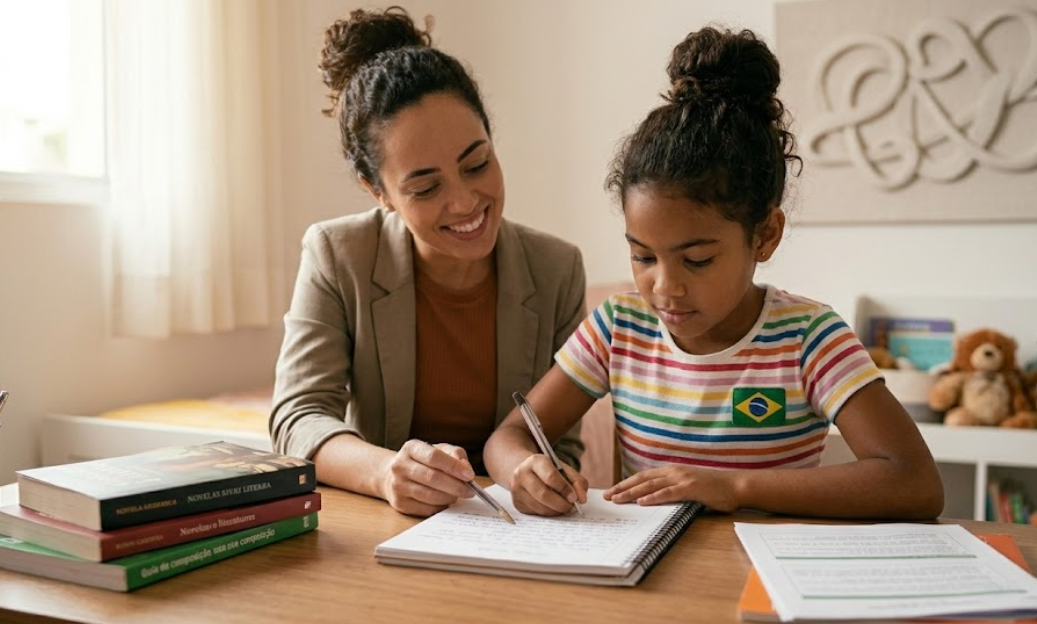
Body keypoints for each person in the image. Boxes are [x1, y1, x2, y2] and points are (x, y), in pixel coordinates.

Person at [484, 26, 944, 520]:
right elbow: (508, 436)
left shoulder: (808, 338)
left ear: (765, 235)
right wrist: (523, 470)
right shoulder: (618, 328)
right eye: (643, 257)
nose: (665, 287)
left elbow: (914, 481)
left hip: (762, 563)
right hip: (647, 562)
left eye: (697, 259)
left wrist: (736, 486)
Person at [270, 6, 587, 518]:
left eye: (477, 164)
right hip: (388, 524)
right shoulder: (337, 254)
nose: (464, 202)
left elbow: (559, 441)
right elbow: (298, 415)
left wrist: (541, 477)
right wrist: (385, 472)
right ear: (378, 192)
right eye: (425, 187)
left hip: (514, 528)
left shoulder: (557, 269)